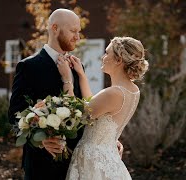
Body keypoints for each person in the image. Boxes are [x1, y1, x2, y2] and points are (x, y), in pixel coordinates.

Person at [8, 9, 123, 180]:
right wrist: (41, 140)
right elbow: (14, 115)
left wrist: (105, 140)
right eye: (73, 31)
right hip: (41, 166)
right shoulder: (29, 67)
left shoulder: (78, 67)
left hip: (77, 164)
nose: (78, 37)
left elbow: (85, 111)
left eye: (79, 31)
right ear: (55, 28)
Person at [57, 36, 149, 179]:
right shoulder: (133, 90)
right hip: (109, 157)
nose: (103, 57)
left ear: (119, 60)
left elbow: (75, 115)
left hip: (93, 162)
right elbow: (95, 105)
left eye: (107, 53)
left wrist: (67, 79)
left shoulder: (113, 93)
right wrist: (81, 75)